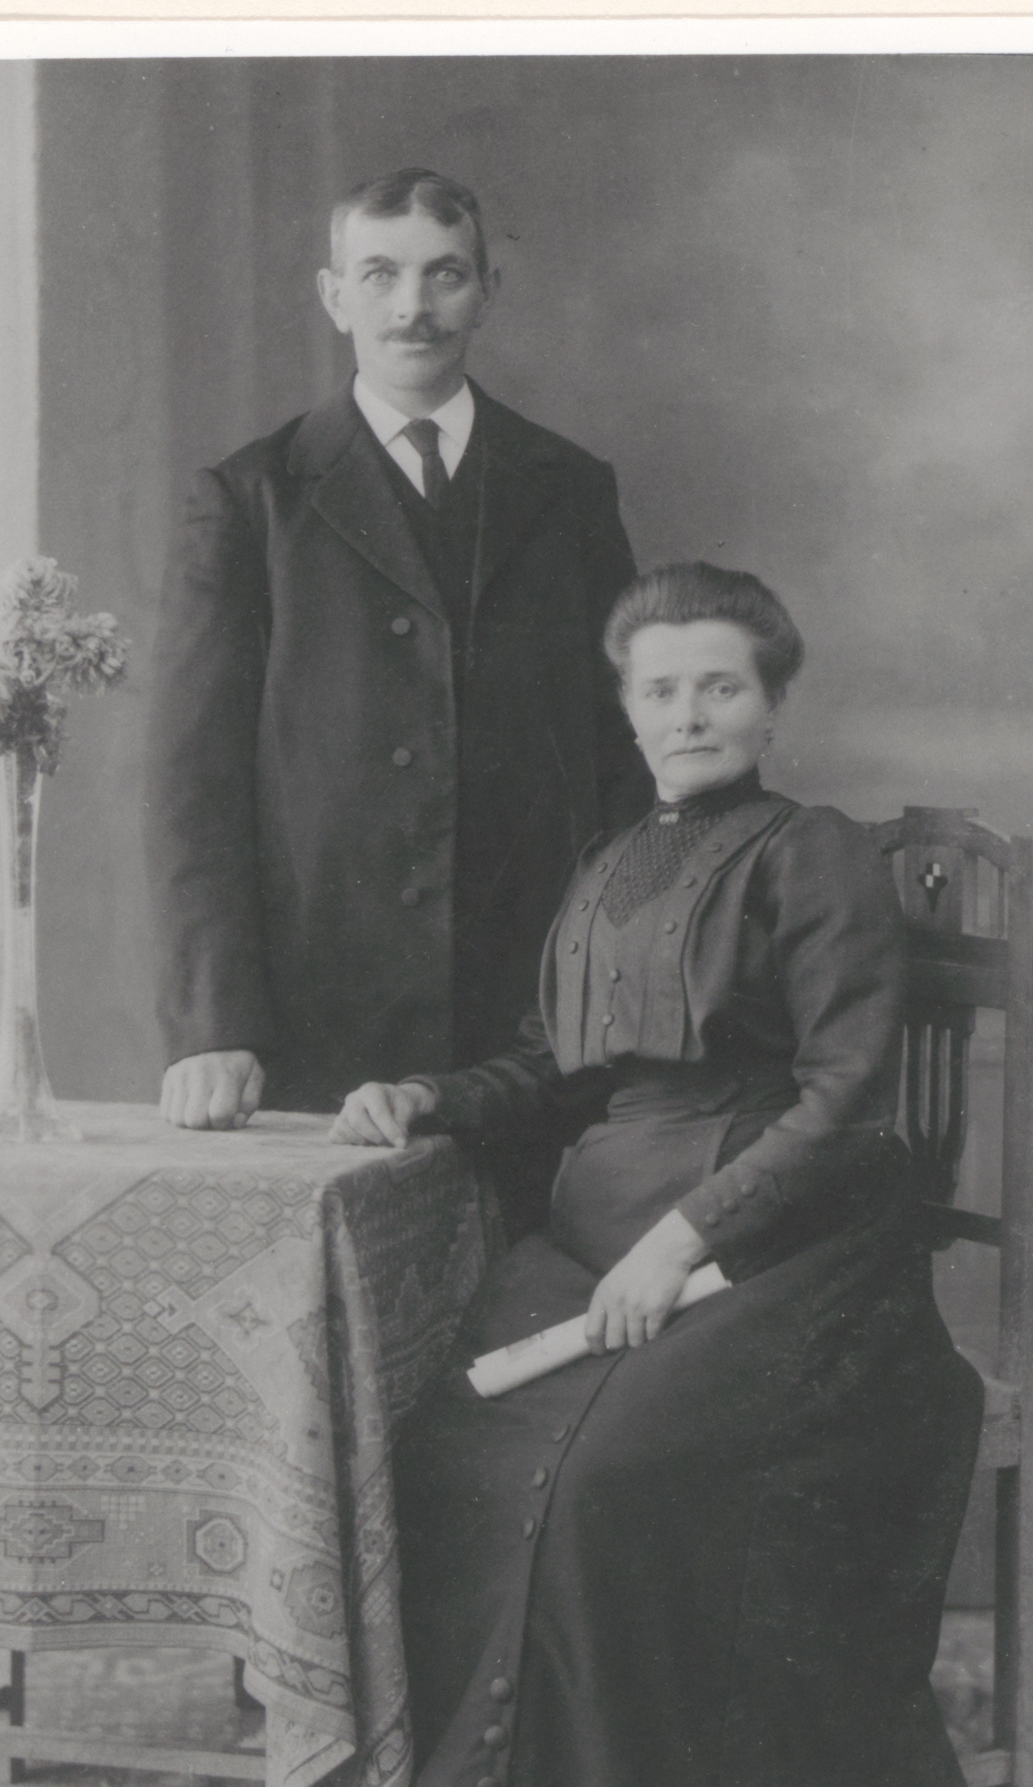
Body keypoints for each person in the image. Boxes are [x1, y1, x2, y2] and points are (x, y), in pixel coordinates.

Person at [329, 563, 1004, 1787]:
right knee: (449, 1451)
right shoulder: (612, 858)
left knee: (591, 1486)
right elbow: (554, 1064)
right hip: (603, 1240)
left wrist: (686, 1236)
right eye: (660, 688)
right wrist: (428, 1096)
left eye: (719, 685)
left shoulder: (811, 851)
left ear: (770, 703)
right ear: (627, 707)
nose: (688, 712)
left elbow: (845, 1094)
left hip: (790, 1252)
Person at [144, 168, 646, 1152]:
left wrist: (603, 989)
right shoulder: (252, 499)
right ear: (334, 296)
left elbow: (624, 759)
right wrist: (213, 1024)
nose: (412, 307)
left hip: (531, 1028)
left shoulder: (569, 489)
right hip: (318, 1021)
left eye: (444, 275)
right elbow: (192, 785)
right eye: (379, 274)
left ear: (487, 292)